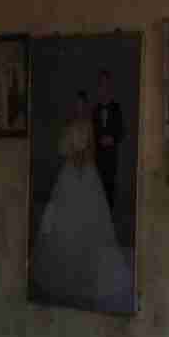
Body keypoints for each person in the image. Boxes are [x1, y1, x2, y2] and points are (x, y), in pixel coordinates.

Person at [33, 90, 136, 312]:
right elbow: (62, 147)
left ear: (85, 106)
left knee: (91, 219)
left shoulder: (89, 124)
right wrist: (73, 156)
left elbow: (93, 148)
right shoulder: (69, 124)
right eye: (76, 104)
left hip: (87, 171)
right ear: (74, 106)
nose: (79, 107)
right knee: (65, 221)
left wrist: (84, 158)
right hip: (70, 172)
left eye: (82, 104)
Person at [92, 67, 125, 209]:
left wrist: (112, 139)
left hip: (111, 156)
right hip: (98, 155)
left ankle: (109, 218)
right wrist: (97, 139)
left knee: (109, 187)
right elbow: (92, 132)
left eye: (106, 84)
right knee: (97, 188)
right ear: (99, 87)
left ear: (109, 86)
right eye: (101, 84)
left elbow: (121, 131)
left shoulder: (116, 108)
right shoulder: (95, 110)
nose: (104, 88)